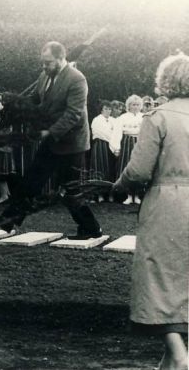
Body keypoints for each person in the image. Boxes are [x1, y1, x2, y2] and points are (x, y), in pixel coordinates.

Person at [112, 53, 189, 370]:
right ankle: (172, 361)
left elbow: (139, 171)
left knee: (158, 277)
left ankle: (181, 357)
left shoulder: (158, 117)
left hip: (168, 205)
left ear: (165, 81)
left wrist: (119, 186)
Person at [0, 41, 102, 239]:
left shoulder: (77, 79)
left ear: (60, 58)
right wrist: (12, 104)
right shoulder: (44, 76)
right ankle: (8, 220)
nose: (44, 66)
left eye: (48, 62)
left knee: (71, 190)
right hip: (52, 139)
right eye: (43, 62)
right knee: (32, 180)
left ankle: (91, 228)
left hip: (71, 143)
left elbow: (73, 114)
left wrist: (49, 132)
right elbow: (34, 99)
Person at [110, 94, 144, 205]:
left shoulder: (144, 117)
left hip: (140, 144)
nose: (135, 107)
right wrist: (116, 148)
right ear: (129, 106)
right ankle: (128, 195)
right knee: (126, 167)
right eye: (133, 104)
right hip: (127, 144)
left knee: (139, 168)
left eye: (137, 105)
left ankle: (137, 194)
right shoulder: (122, 118)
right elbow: (116, 134)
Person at [89, 100, 115, 202]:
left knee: (110, 168)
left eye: (109, 109)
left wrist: (113, 142)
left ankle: (110, 194)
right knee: (100, 167)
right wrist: (111, 137)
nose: (108, 111)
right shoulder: (96, 120)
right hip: (100, 145)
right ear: (101, 110)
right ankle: (99, 195)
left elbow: (116, 133)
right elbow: (99, 133)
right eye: (105, 109)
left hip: (112, 146)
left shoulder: (113, 120)